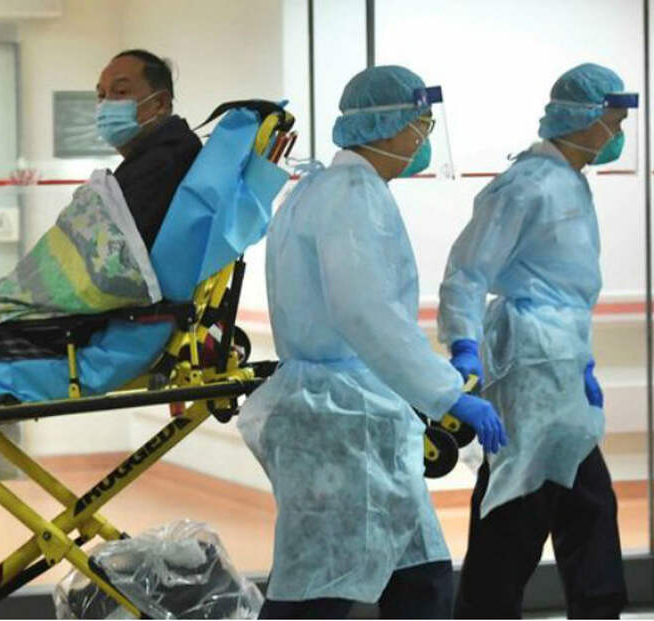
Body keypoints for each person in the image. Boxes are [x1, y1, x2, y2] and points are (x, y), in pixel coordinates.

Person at [237, 65, 507, 619]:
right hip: (343, 419)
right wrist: (447, 392)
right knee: (321, 588)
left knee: (420, 575)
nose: (424, 137)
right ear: (390, 125)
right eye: (421, 124)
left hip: (351, 412)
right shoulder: (352, 196)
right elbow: (365, 311)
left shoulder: (322, 189)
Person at [439, 63, 632, 619]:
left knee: (584, 504)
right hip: (528, 369)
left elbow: (566, 288)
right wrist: (464, 347)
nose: (618, 132)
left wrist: (581, 360)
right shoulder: (524, 185)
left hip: (561, 366)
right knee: (518, 507)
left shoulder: (570, 181)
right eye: (614, 120)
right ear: (584, 117)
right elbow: (466, 273)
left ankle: (596, 608)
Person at [96, 49, 203, 249]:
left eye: (121, 92)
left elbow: (107, 253)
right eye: (101, 95)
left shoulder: (165, 164)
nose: (106, 104)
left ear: (160, 103)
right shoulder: (165, 153)